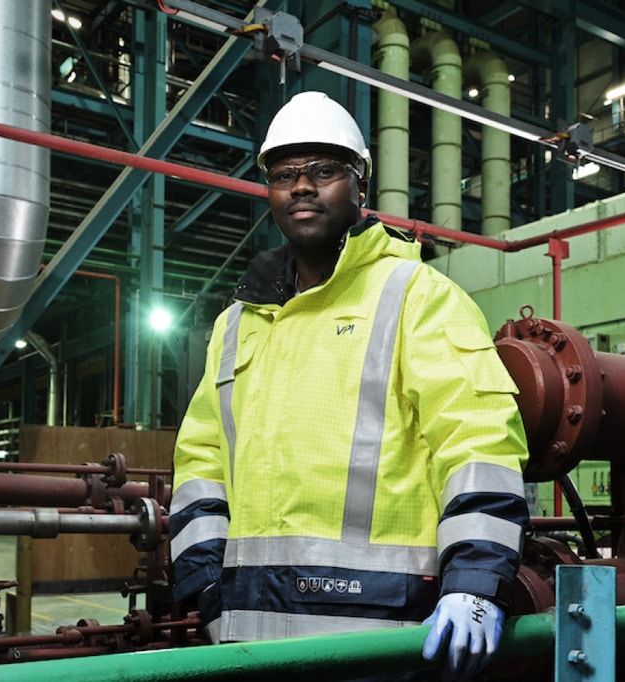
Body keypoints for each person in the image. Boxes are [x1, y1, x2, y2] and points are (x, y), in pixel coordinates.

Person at [168, 90, 531, 681]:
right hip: (243, 636)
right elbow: (201, 458)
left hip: (380, 641)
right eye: (286, 175)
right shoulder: (237, 323)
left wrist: (476, 583)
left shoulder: (417, 296)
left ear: (359, 184)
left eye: (324, 171)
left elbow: (477, 443)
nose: (303, 187)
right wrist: (206, 581)